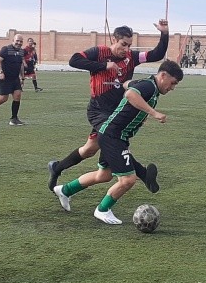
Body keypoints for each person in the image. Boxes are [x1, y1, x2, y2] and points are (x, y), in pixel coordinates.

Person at [52, 60, 184, 225]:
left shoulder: (152, 88)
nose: (172, 88)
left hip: (112, 135)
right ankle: (102, 210)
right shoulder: (150, 86)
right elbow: (130, 94)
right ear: (163, 75)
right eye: (173, 83)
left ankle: (65, 190)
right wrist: (153, 113)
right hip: (113, 136)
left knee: (104, 175)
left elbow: (128, 86)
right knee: (128, 180)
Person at [47, 19, 170, 193]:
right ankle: (143, 174)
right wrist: (103, 66)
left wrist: (164, 33)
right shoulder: (99, 52)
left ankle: (57, 168)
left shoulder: (131, 58)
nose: (126, 49)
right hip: (98, 110)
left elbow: (156, 55)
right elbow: (74, 60)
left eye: (129, 45)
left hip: (115, 112)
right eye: (123, 44)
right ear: (114, 40)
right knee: (115, 139)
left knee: (89, 150)